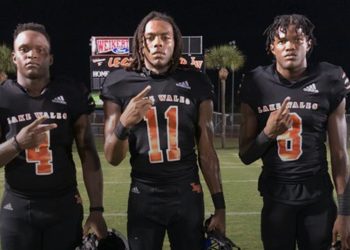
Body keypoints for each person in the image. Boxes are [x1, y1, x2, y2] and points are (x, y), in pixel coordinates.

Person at [101, 11, 226, 250]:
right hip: (143, 194)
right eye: (151, 37)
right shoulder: (120, 82)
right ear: (142, 42)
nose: (158, 42)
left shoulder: (196, 82)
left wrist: (220, 207)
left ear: (175, 42)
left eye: (165, 37)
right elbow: (112, 157)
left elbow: (208, 152)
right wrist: (124, 123)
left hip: (187, 193)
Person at [239, 14, 350, 250]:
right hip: (276, 200)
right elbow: (246, 155)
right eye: (281, 41)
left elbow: (340, 154)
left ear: (308, 44)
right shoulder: (255, 83)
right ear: (272, 47)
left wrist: (345, 211)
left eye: (297, 40)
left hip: (318, 199)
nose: (289, 46)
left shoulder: (329, 79)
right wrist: (268, 133)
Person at [0, 22, 107, 250]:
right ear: (14, 58)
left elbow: (89, 154)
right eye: (25, 49)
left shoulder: (70, 93)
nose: (32, 55)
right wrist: (18, 143)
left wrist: (96, 210)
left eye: (41, 50)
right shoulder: (2, 98)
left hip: (64, 206)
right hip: (17, 208)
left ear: (50, 59)